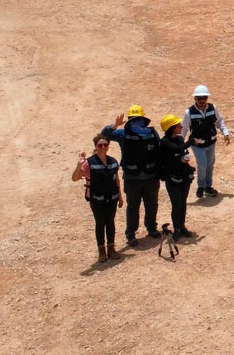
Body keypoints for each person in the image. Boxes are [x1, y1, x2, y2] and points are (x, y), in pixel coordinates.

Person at [101, 106, 162, 245]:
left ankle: (151, 228)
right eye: (134, 120)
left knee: (152, 204)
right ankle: (131, 233)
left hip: (151, 176)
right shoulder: (123, 134)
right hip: (132, 178)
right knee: (133, 206)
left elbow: (159, 149)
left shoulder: (152, 133)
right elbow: (104, 136)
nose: (137, 123)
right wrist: (115, 125)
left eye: (139, 119)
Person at [72, 135, 123, 260]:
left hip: (112, 197)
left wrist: (120, 197)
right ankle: (101, 251)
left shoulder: (113, 161)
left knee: (110, 222)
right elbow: (75, 178)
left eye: (105, 145)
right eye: (100, 145)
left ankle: (111, 248)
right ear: (95, 146)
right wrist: (79, 165)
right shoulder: (89, 163)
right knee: (100, 223)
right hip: (97, 199)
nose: (103, 147)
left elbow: (116, 179)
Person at [185, 85, 229, 199]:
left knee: (210, 164)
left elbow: (219, 121)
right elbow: (184, 128)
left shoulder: (213, 108)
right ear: (195, 99)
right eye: (199, 98)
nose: (202, 101)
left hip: (211, 143)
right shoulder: (189, 112)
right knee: (202, 164)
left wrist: (225, 132)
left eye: (204, 98)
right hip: (197, 144)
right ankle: (201, 186)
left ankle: (208, 187)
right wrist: (180, 145)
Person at [158, 114, 196, 240]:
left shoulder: (179, 138)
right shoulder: (165, 142)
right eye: (178, 125)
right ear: (172, 128)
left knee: (183, 203)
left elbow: (182, 152)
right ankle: (177, 228)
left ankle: (182, 226)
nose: (181, 126)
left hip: (184, 176)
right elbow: (177, 148)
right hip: (172, 179)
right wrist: (190, 141)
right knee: (177, 204)